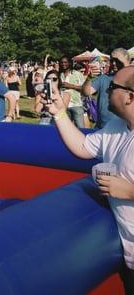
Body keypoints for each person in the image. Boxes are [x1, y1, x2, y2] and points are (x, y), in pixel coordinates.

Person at [45, 66, 134, 293]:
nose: (104, 91)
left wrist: (131, 191)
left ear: (130, 97)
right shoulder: (116, 127)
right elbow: (83, 147)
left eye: (112, 87)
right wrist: (59, 113)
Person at [83, 48, 130, 128]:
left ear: (127, 60)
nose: (114, 63)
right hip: (102, 128)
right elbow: (86, 92)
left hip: (125, 130)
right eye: (112, 60)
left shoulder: (131, 79)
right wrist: (89, 78)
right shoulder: (104, 78)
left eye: (117, 60)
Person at [59, 56, 86, 128]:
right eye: (61, 62)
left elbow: (84, 88)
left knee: (80, 127)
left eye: (65, 62)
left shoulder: (77, 74)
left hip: (76, 105)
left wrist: (70, 86)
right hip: (63, 106)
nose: (63, 64)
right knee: (66, 128)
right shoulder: (59, 75)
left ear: (70, 63)